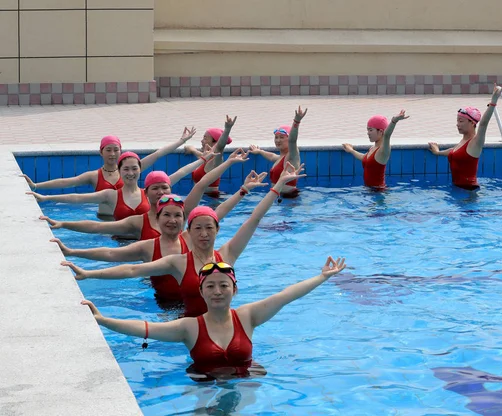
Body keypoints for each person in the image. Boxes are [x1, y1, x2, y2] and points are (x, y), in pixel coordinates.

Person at [62, 163, 306, 317]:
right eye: (166, 215)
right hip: (169, 308)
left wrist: (252, 190)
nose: (172, 220)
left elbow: (249, 219)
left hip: (210, 312)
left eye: (177, 216)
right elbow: (121, 261)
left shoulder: (202, 242)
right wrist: (79, 260)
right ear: (157, 214)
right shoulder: (165, 252)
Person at [79, 256, 346, 380]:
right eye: (210, 286)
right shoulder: (189, 327)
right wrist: (104, 320)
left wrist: (322, 277)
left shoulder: (248, 316)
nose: (217, 291)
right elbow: (146, 328)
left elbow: (287, 295)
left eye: (224, 285)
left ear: (234, 290)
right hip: (203, 385)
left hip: (247, 381)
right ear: (201, 291)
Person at [39, 149, 251, 239]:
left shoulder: (181, 214)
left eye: (165, 188)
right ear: (147, 192)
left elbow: (202, 185)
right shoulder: (138, 219)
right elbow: (98, 225)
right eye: (156, 189)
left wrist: (230, 166)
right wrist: (62, 224)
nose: (161, 192)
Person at [21, 127, 197, 193]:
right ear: (101, 152)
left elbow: (158, 154)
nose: (112, 154)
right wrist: (38, 186)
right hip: (104, 220)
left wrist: (181, 141)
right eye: (108, 150)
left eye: (116, 150)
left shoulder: (131, 170)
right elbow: (67, 182)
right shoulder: (94, 176)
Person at [428, 84, 502, 190]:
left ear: (472, 123)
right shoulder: (463, 140)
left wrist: (493, 101)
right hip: (458, 190)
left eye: (461, 121)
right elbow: (453, 151)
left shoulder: (475, 143)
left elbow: (483, 124)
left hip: (469, 193)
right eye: (457, 121)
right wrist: (438, 152)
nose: (457, 124)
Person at [248, 106, 308, 198]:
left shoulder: (292, 155)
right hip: (277, 197)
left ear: (288, 139)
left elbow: (293, 140)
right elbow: (272, 156)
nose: (278, 140)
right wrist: (259, 151)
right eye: (276, 137)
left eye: (282, 137)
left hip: (289, 198)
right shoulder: (281, 157)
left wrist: (296, 122)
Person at [341, 110, 409, 188]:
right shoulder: (373, 148)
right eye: (367, 130)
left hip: (379, 194)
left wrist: (394, 121)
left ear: (380, 131)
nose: (368, 133)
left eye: (370, 130)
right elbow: (364, 158)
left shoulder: (383, 151)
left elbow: (387, 135)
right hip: (369, 191)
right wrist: (351, 150)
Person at [186, 116, 236, 197]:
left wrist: (227, 129)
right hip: (201, 198)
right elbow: (194, 151)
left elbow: (220, 148)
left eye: (205, 138)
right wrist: (192, 150)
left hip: (211, 200)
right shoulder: (205, 157)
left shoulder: (216, 160)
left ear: (215, 142)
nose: (202, 141)